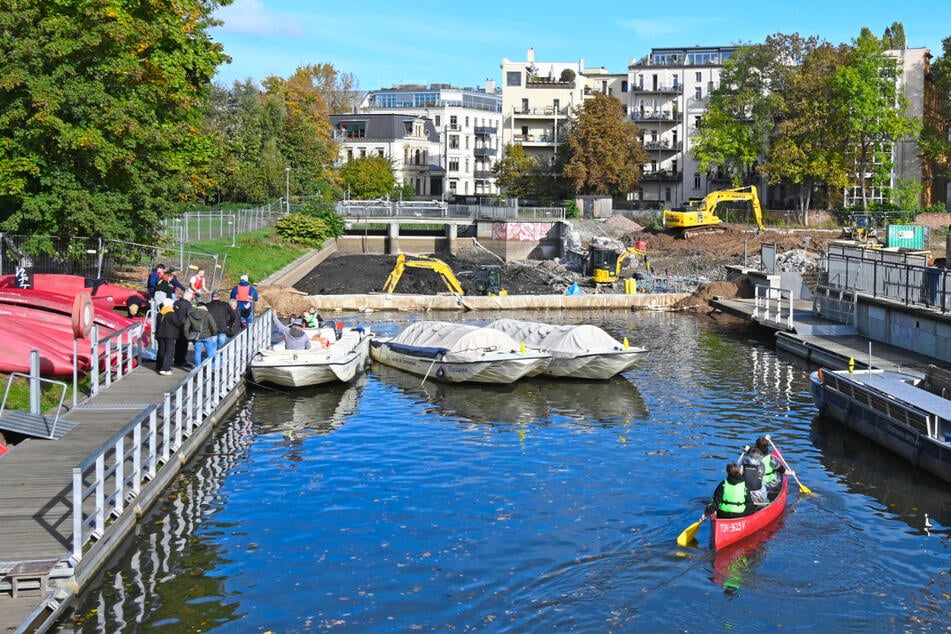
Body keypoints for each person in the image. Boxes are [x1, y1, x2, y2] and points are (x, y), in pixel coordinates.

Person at [186, 299, 219, 368]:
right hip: (207, 336)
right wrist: (214, 334)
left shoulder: (191, 314)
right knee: (210, 353)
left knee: (197, 352)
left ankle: (198, 367)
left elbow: (186, 327)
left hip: (196, 336)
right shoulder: (207, 314)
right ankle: (211, 366)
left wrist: (187, 336)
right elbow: (213, 325)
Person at [155, 297, 179, 375]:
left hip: (160, 334)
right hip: (169, 335)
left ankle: (159, 366)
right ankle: (165, 368)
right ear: (169, 305)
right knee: (169, 351)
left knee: (161, 350)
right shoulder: (171, 314)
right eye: (172, 304)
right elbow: (177, 323)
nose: (173, 305)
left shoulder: (160, 313)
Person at [172, 289, 195, 368]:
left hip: (175, 326)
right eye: (191, 297)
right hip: (184, 327)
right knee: (183, 345)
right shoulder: (188, 305)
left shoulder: (176, 303)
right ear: (189, 297)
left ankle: (176, 360)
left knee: (177, 344)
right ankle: (181, 361)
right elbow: (190, 316)